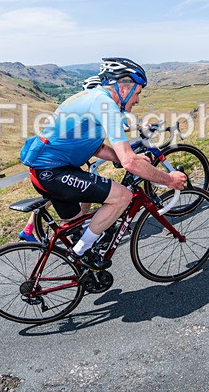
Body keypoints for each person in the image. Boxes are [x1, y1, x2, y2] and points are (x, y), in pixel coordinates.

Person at [19, 58, 186, 269]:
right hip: (54, 173)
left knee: (76, 224)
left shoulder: (93, 98)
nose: (137, 100)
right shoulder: (104, 104)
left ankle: (81, 267)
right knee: (123, 197)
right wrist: (169, 179)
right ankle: (79, 254)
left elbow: (95, 147)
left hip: (48, 170)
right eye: (137, 93)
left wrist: (122, 157)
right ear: (124, 88)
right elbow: (129, 163)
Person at [17, 75, 102, 243]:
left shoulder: (78, 107)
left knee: (55, 195)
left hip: (47, 161)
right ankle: (75, 233)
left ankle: (30, 229)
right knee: (67, 192)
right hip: (53, 164)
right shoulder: (89, 112)